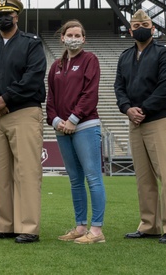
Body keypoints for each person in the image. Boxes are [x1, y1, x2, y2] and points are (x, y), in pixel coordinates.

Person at [0, 0, 47, 244]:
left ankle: (28, 227)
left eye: (7, 14)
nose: (3, 18)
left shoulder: (31, 44)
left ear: (16, 16)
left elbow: (33, 77)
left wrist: (5, 98)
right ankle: (5, 225)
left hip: (23, 113)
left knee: (26, 172)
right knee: (1, 173)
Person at [114, 8, 166, 244]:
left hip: (158, 119)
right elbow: (119, 88)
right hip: (135, 123)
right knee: (143, 178)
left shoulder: (165, 53)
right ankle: (149, 225)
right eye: (135, 25)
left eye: (144, 24)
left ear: (153, 28)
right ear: (130, 29)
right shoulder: (125, 56)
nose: (140, 28)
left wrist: (142, 108)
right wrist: (127, 108)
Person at [46, 20, 106, 245]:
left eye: (77, 34)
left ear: (84, 38)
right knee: (75, 180)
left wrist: (73, 119)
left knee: (93, 177)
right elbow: (50, 98)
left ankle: (97, 230)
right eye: (69, 34)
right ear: (62, 37)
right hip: (62, 129)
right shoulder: (56, 66)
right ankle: (81, 226)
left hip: (85, 126)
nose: (73, 38)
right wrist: (55, 121)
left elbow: (90, 94)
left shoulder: (90, 60)